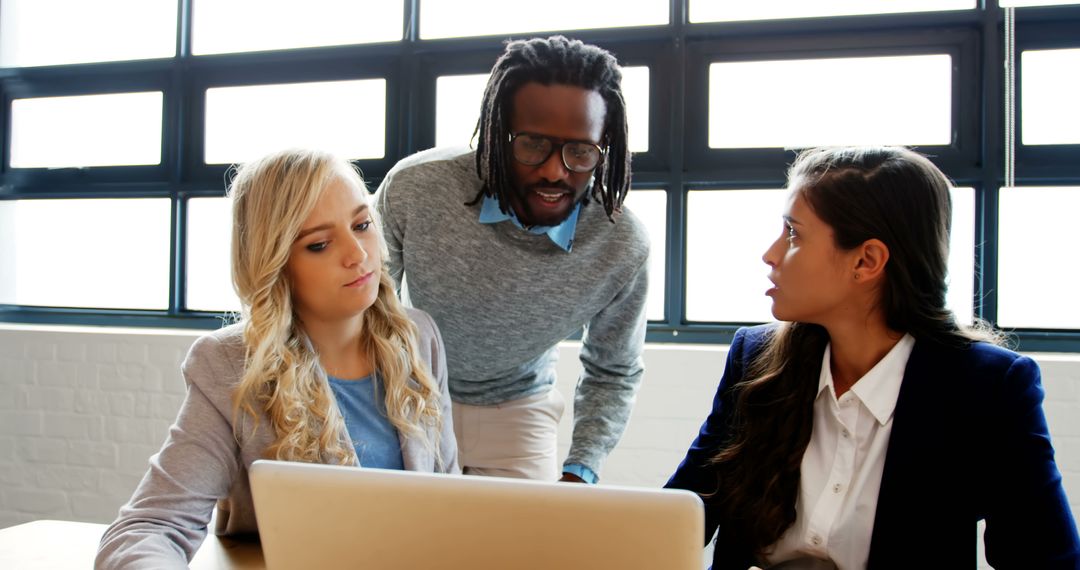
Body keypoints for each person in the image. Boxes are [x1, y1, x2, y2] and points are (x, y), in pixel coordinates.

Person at [666, 146, 1080, 569]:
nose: (770, 254)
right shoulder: (754, 358)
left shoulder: (987, 387)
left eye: (793, 234)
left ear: (866, 261)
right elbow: (677, 520)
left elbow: (1049, 559)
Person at [96, 149, 459, 568]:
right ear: (275, 264)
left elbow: (447, 504)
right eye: (319, 244)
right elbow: (148, 528)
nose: (358, 254)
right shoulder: (229, 365)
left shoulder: (419, 337)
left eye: (362, 225)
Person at [373, 35, 648, 484]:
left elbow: (613, 370)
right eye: (532, 145)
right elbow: (362, 309)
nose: (555, 171)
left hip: (520, 411)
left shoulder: (622, 245)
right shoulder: (416, 187)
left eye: (580, 152)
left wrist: (581, 470)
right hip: (408, 394)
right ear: (497, 133)